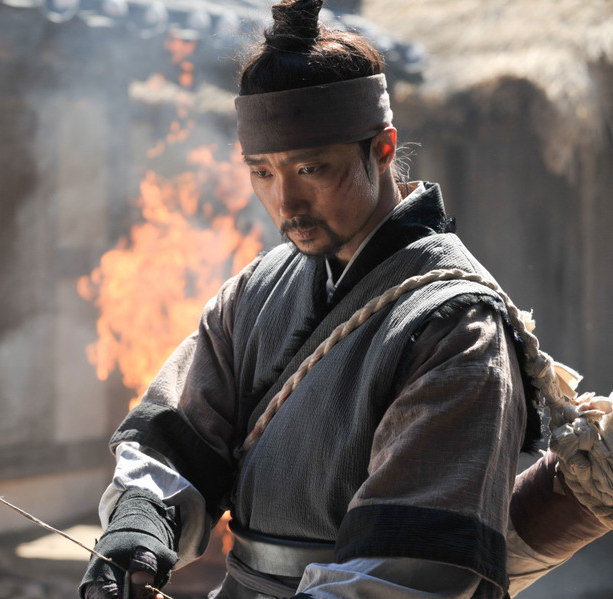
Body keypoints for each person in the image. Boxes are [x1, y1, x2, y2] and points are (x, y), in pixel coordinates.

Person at [80, 1, 609, 598]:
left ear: (382, 149)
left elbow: (407, 571)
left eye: (311, 168)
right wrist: (138, 523)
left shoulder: (456, 326)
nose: (286, 203)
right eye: (262, 173)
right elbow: (177, 433)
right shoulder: (259, 289)